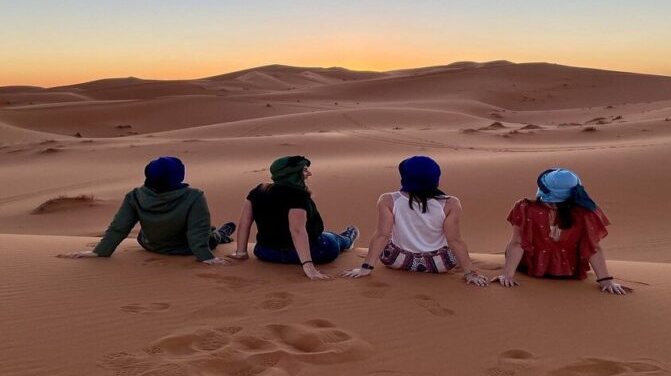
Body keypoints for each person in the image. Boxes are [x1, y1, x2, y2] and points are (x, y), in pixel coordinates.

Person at [58, 156, 235, 265]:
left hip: (150, 244)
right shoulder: (194, 196)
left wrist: (100, 251)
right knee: (211, 235)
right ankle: (221, 233)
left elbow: (119, 227)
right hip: (185, 248)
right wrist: (206, 257)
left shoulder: (134, 195)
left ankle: (217, 232)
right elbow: (197, 232)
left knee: (205, 230)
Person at [342, 155, 489, 286]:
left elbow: (382, 235)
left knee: (388, 236)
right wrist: (470, 273)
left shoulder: (388, 200)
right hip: (439, 264)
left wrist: (366, 268)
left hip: (397, 261)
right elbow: (454, 240)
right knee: (450, 243)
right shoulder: (451, 203)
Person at [491, 168, 628, 295]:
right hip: (533, 268)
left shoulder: (584, 213)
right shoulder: (526, 208)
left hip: (562, 273)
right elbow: (517, 243)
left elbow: (593, 248)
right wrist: (507, 275)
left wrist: (605, 280)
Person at [230, 155, 358, 280]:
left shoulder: (259, 190)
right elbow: (297, 231)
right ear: (292, 174)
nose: (309, 173)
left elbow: (244, 222)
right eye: (304, 170)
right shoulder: (298, 197)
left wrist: (241, 253)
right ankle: (348, 238)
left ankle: (343, 238)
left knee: (325, 236)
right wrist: (309, 267)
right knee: (332, 237)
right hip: (315, 253)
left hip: (266, 252)